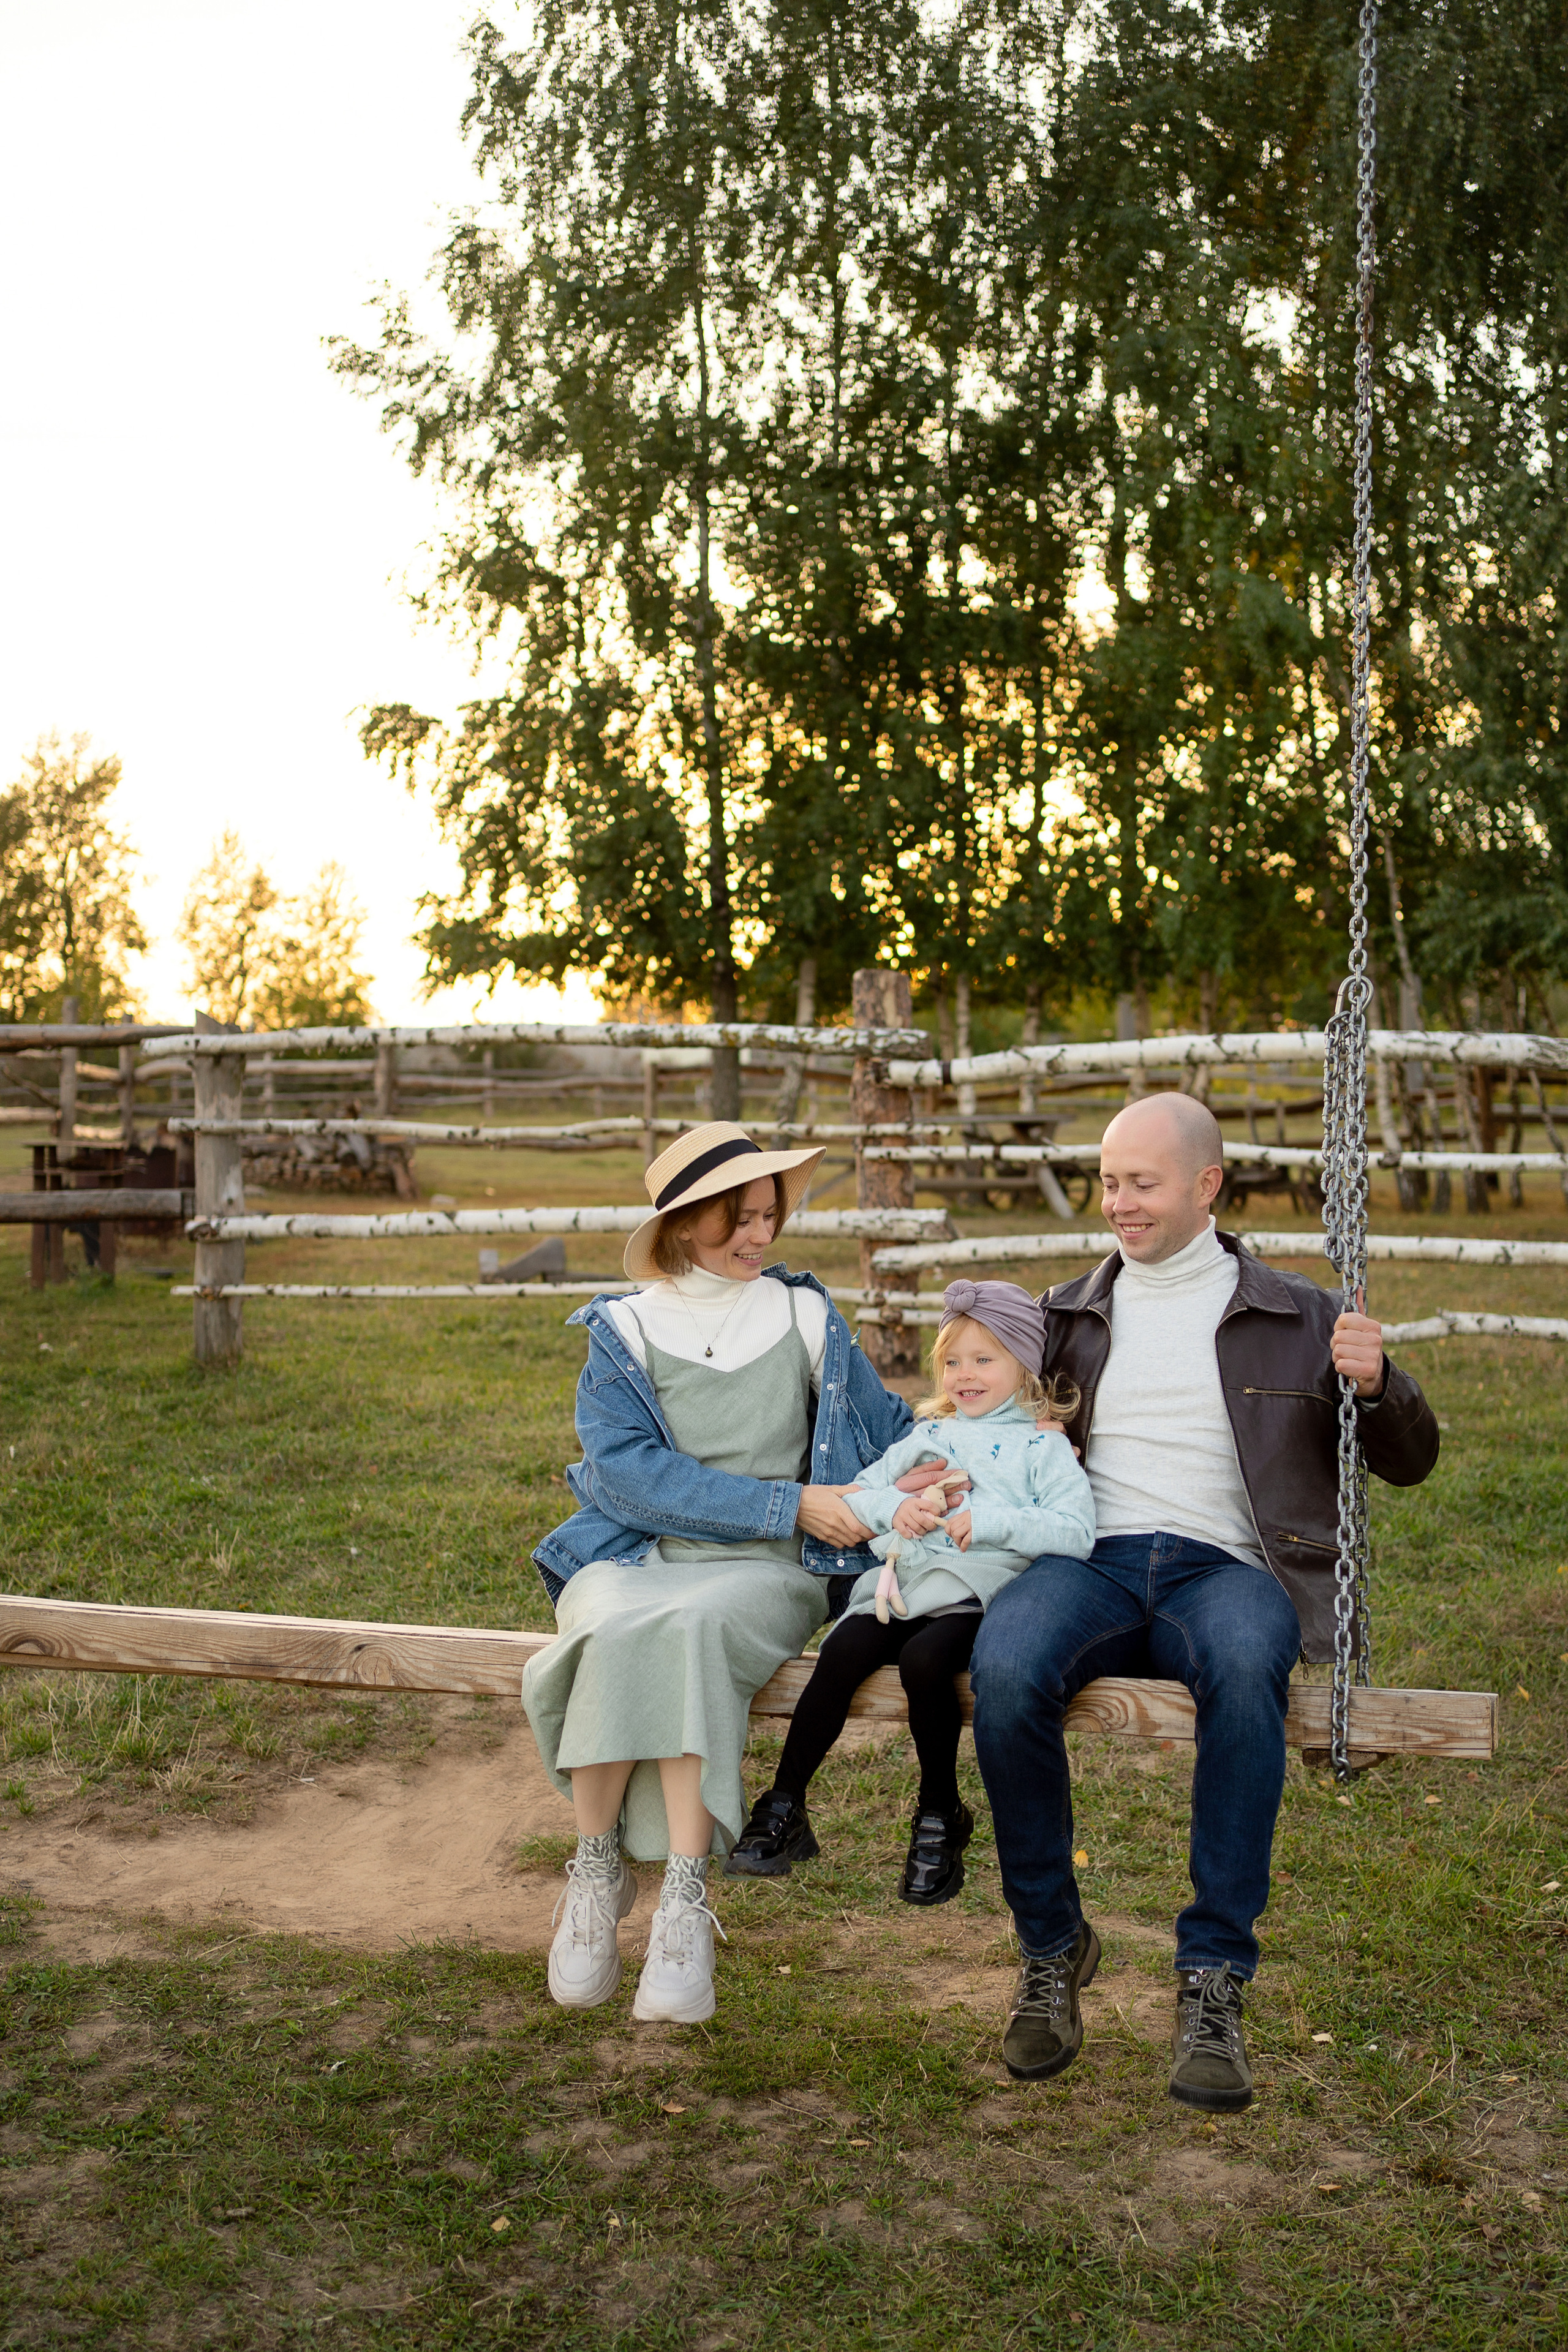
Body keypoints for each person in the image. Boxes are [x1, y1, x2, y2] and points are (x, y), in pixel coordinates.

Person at [969, 1090, 1440, 2111]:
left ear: (1206, 1185)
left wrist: (1380, 1382)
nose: (1119, 1205)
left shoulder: (1299, 1313)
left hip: (1227, 1568)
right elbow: (981, 1425)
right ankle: (1053, 1948)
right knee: (1003, 1664)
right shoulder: (1069, 1313)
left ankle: (1213, 1976)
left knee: (1241, 1662)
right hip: (1090, 1558)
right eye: (1108, 1182)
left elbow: (1412, 1460)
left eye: (1141, 1183)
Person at [523, 1121, 909, 2026]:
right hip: (635, 1554)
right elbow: (628, 1478)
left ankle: (685, 1902)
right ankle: (594, 1870)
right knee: (613, 1625)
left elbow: (892, 1431)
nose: (761, 1238)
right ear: (686, 1222)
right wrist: (790, 1499)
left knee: (691, 1631)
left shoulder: (803, 1314)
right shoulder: (621, 1328)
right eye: (740, 1220)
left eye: (771, 1216)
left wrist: (990, 1432)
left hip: (768, 1570)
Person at [727, 1280, 1095, 1903]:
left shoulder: (1042, 1447)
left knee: (926, 1662)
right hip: (905, 1582)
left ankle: (938, 1815)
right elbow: (861, 1494)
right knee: (842, 1653)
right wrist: (894, 1510)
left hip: (977, 1592)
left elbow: (1076, 1531)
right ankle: (784, 1804)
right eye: (952, 1361)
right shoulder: (931, 1435)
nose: (964, 1375)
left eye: (984, 1359)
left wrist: (993, 1523)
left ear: (1024, 1365)